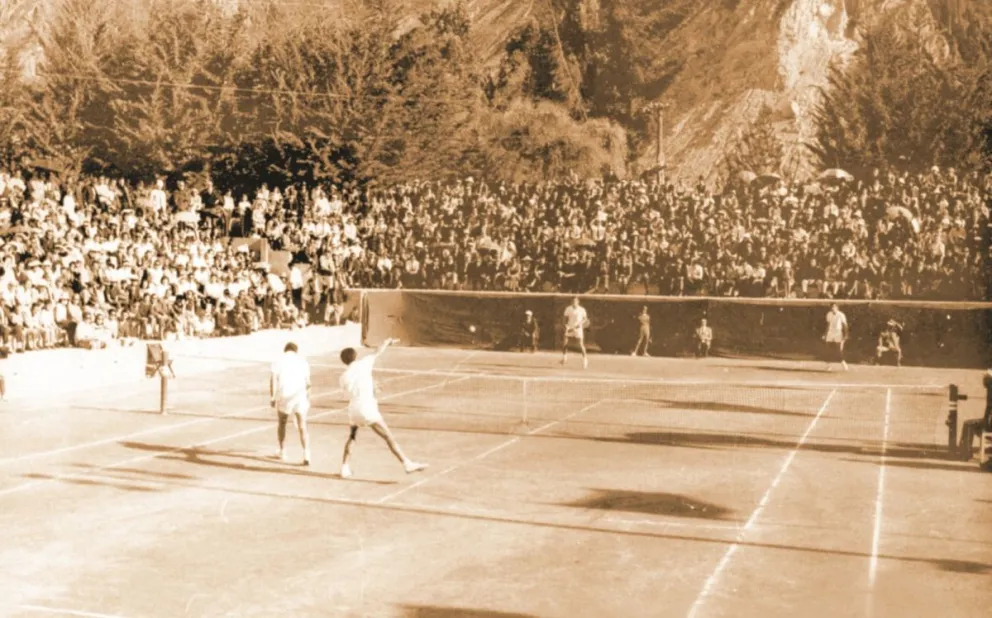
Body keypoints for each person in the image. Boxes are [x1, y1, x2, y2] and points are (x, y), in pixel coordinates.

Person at [338, 338, 427, 479]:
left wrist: (370, 386)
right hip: (367, 408)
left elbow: (346, 393)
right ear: (355, 356)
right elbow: (378, 351)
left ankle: (344, 467)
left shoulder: (343, 377)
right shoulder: (364, 363)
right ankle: (406, 463)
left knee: (352, 436)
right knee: (388, 436)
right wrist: (388, 342)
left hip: (353, 410)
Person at [270, 342, 312, 465]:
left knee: (282, 423)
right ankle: (306, 454)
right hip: (299, 395)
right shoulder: (303, 361)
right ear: (296, 351)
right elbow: (308, 383)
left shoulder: (278, 361)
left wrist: (272, 397)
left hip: (284, 395)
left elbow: (273, 380)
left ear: (285, 350)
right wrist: (308, 397)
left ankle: (283, 451)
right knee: (302, 425)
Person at [561, 297, 589, 369]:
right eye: (573, 301)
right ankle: (564, 358)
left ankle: (585, 360)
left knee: (580, 344)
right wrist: (565, 326)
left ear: (578, 302)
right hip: (569, 328)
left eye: (575, 301)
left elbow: (585, 319)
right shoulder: (568, 309)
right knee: (565, 343)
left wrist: (580, 324)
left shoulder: (582, 310)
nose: (574, 302)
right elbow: (564, 318)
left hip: (578, 329)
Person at [823, 303, 849, 371]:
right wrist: (825, 334)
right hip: (830, 333)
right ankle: (828, 366)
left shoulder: (841, 315)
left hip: (838, 333)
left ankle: (844, 364)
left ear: (837, 308)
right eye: (831, 307)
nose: (832, 308)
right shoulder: (829, 314)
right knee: (828, 349)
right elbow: (828, 325)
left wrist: (846, 334)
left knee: (838, 350)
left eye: (834, 307)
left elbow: (845, 325)